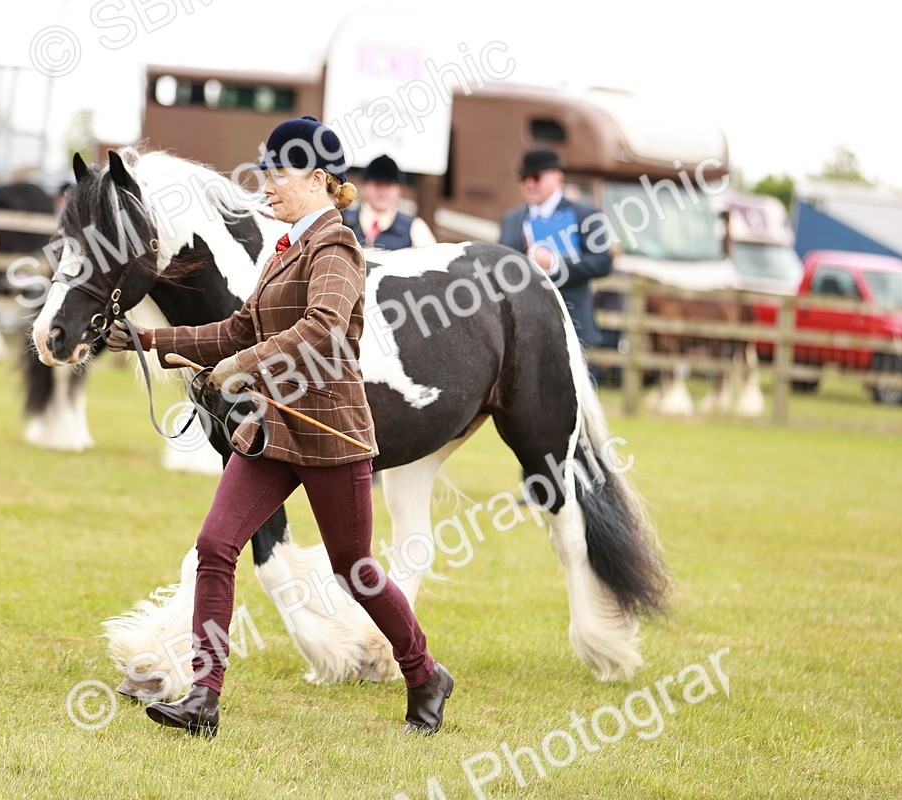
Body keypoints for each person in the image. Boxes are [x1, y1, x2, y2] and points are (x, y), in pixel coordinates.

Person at [105, 115, 453, 738]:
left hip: (328, 434)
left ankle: (424, 673)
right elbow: (239, 329)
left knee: (355, 570)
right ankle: (204, 698)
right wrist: (148, 338)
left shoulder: (338, 249)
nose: (265, 185)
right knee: (217, 547)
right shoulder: (284, 248)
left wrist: (242, 365)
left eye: (278, 174)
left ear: (318, 180)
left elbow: (320, 330)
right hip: (270, 432)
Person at [499, 147, 611, 493]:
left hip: (572, 325)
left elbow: (602, 262)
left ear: (557, 177)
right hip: (525, 329)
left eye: (536, 177)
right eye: (523, 178)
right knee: (527, 409)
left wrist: (557, 263)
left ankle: (583, 480)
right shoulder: (512, 220)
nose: (529, 184)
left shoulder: (584, 214)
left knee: (574, 408)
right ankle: (536, 485)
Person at [342, 154, 436, 249]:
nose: (382, 192)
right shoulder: (342, 220)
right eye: (377, 184)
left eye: (389, 185)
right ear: (364, 185)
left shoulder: (415, 227)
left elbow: (433, 260)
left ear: (400, 189)